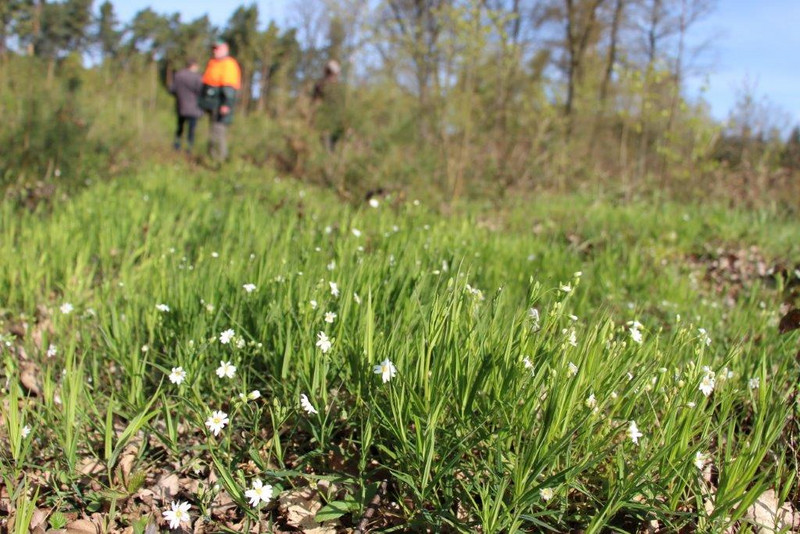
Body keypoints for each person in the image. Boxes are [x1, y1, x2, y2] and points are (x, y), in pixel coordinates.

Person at [199, 40, 241, 162]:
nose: (215, 51)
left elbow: (229, 87)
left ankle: (219, 160)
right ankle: (212, 157)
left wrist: (226, 104)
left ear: (225, 49)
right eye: (214, 49)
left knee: (218, 132)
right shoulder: (214, 63)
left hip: (221, 105)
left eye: (217, 49)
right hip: (213, 104)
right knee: (213, 131)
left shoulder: (228, 64)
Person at [169, 58, 203, 153]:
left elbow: (172, 89)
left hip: (181, 106)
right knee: (191, 130)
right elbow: (200, 91)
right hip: (194, 108)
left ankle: (177, 145)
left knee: (180, 127)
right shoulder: (197, 77)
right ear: (194, 66)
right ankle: (189, 148)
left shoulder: (178, 75)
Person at [312, 60, 346, 151]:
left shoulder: (339, 87)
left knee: (331, 147)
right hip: (326, 121)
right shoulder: (321, 85)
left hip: (335, 121)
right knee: (327, 147)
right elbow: (315, 103)